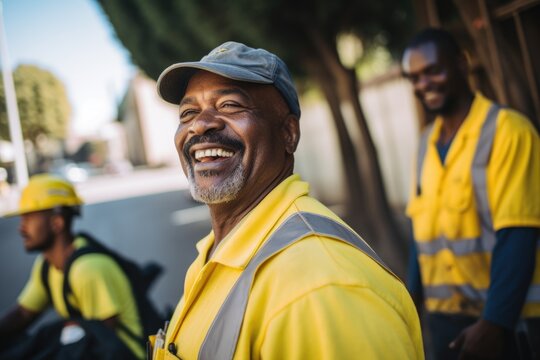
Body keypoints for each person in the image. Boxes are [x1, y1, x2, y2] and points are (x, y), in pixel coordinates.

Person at [149, 41, 424, 360]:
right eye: (188, 112)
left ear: (288, 134)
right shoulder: (216, 252)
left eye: (230, 105)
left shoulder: (320, 288)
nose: (200, 124)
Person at [401, 28, 540, 359]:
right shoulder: (424, 144)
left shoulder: (508, 131)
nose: (423, 85)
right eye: (414, 78)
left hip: (506, 322)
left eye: (433, 71)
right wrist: (407, 310)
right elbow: (420, 241)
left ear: (462, 64)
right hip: (444, 321)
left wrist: (494, 323)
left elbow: (518, 234)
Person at [0, 174, 145, 359]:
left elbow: (102, 341)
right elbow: (22, 314)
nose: (21, 228)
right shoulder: (47, 266)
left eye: (28, 218)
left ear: (57, 222)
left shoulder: (88, 269)